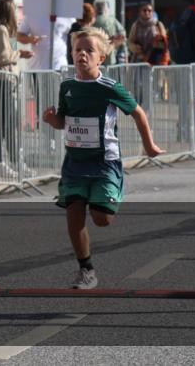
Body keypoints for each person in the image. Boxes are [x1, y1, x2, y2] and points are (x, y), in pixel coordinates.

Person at [42, 27, 163, 290]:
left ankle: (108, 193)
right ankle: (86, 270)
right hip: (74, 163)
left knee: (102, 219)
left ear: (101, 59)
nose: (82, 54)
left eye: (89, 50)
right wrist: (53, 120)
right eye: (78, 50)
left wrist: (149, 145)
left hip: (104, 162)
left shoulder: (109, 87)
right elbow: (63, 121)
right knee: (74, 215)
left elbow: (138, 113)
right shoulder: (67, 87)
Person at [0, 0, 33, 174]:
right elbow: (3, 57)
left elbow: (10, 52)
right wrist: (20, 54)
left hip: (8, 81)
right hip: (3, 80)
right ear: (10, 11)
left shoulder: (6, 30)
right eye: (16, 10)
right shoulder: (1, 30)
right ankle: (1, 162)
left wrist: (18, 51)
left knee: (10, 123)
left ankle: (12, 161)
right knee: (6, 123)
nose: (18, 14)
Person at [92, 0, 127, 64]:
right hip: (111, 56)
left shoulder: (92, 22)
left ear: (95, 9)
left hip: (95, 56)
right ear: (106, 9)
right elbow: (122, 34)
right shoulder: (112, 20)